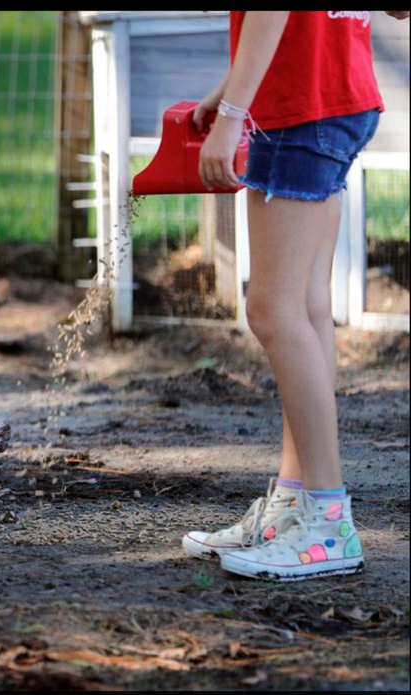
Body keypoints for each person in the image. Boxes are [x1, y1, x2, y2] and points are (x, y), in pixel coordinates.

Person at [180, 10, 408, 581]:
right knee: (307, 306)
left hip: (303, 108)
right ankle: (294, 503)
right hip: (334, 94)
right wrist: (234, 88)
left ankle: (328, 522)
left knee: (272, 309)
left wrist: (232, 115)